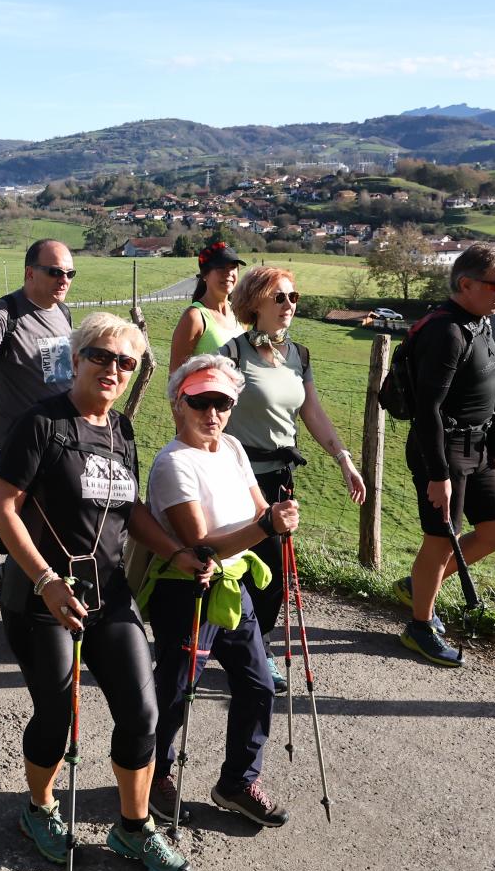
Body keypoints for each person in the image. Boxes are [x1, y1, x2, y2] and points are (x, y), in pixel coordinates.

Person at [0, 312, 190, 871]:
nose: (113, 369)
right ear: (76, 359)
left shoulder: (122, 430)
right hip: (41, 597)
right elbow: (3, 508)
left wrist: (176, 552)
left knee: (142, 713)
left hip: (108, 593)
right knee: (57, 715)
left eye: (126, 362)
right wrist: (45, 580)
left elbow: (131, 511)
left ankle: (133, 826)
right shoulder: (41, 424)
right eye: (100, 355)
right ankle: (40, 809)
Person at [143, 354, 300, 831]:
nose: (212, 413)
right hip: (186, 590)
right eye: (200, 402)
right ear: (179, 403)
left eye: (223, 403)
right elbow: (200, 545)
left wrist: (278, 517)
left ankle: (236, 783)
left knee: (257, 685)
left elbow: (258, 509)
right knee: (176, 691)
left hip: (232, 586)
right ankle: (151, 777)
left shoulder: (230, 447)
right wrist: (267, 527)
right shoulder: (173, 463)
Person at [219, 266, 365, 690]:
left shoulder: (299, 355)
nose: (288, 305)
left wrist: (343, 458)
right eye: (278, 297)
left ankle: (252, 643)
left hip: (281, 479)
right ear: (255, 303)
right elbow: (205, 408)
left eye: (293, 297)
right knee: (243, 567)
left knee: (274, 574)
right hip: (240, 479)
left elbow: (312, 412)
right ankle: (249, 648)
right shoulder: (232, 353)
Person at [398, 243, 495, 667]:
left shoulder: (479, 322)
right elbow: (427, 410)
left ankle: (418, 586)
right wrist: (438, 474)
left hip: (477, 446)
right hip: (443, 451)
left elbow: (480, 391)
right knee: (440, 540)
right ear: (466, 284)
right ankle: (419, 627)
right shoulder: (445, 332)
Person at [0, 239, 76, 584]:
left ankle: (18, 579)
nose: (64, 280)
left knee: (49, 527)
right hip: (15, 446)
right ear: (30, 273)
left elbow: (59, 376)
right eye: (55, 272)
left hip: (56, 443)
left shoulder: (63, 313)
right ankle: (17, 588)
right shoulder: (5, 313)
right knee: (15, 528)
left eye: (70, 273)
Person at [169, 240, 244, 372]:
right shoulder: (194, 317)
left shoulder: (238, 313)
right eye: (221, 267)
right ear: (205, 275)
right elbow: (175, 376)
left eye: (233, 267)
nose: (228, 273)